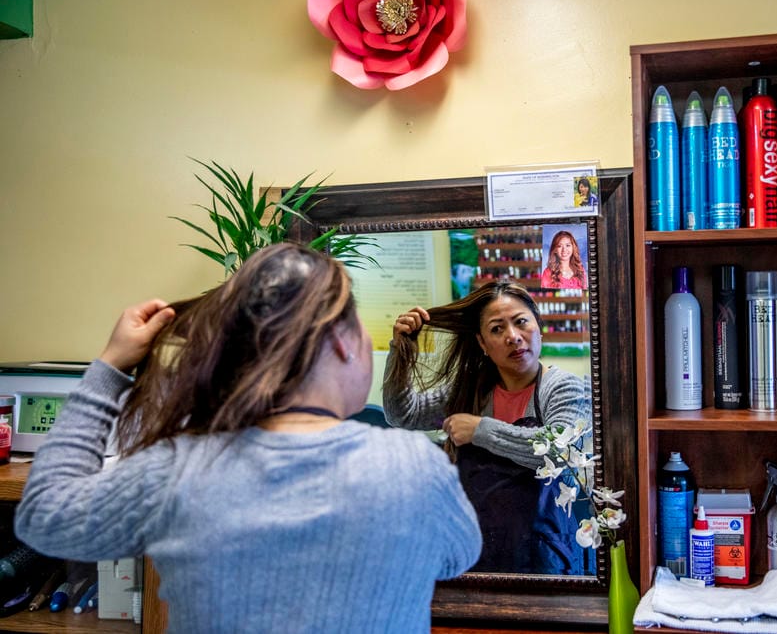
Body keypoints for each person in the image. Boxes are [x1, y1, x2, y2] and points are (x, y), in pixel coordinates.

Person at [14, 243, 481, 634]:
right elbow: (457, 557)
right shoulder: (415, 467)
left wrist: (109, 368)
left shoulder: (177, 469)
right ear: (341, 341)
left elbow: (43, 518)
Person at [383, 280, 591, 575]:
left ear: (539, 327)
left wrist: (480, 430)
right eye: (497, 329)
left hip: (546, 557)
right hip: (477, 552)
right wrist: (401, 353)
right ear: (482, 344)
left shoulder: (563, 388)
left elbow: (560, 452)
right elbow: (403, 415)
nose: (513, 337)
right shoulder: (472, 391)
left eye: (521, 322)